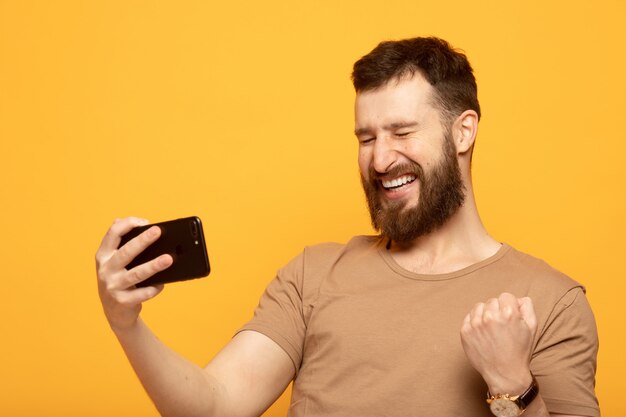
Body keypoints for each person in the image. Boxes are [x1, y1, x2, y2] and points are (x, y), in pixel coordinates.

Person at [95, 37, 599, 417]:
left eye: (402, 132)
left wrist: (512, 384)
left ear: (462, 131)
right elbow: (214, 406)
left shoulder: (551, 303)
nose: (380, 159)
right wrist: (126, 324)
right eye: (365, 138)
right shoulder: (313, 274)